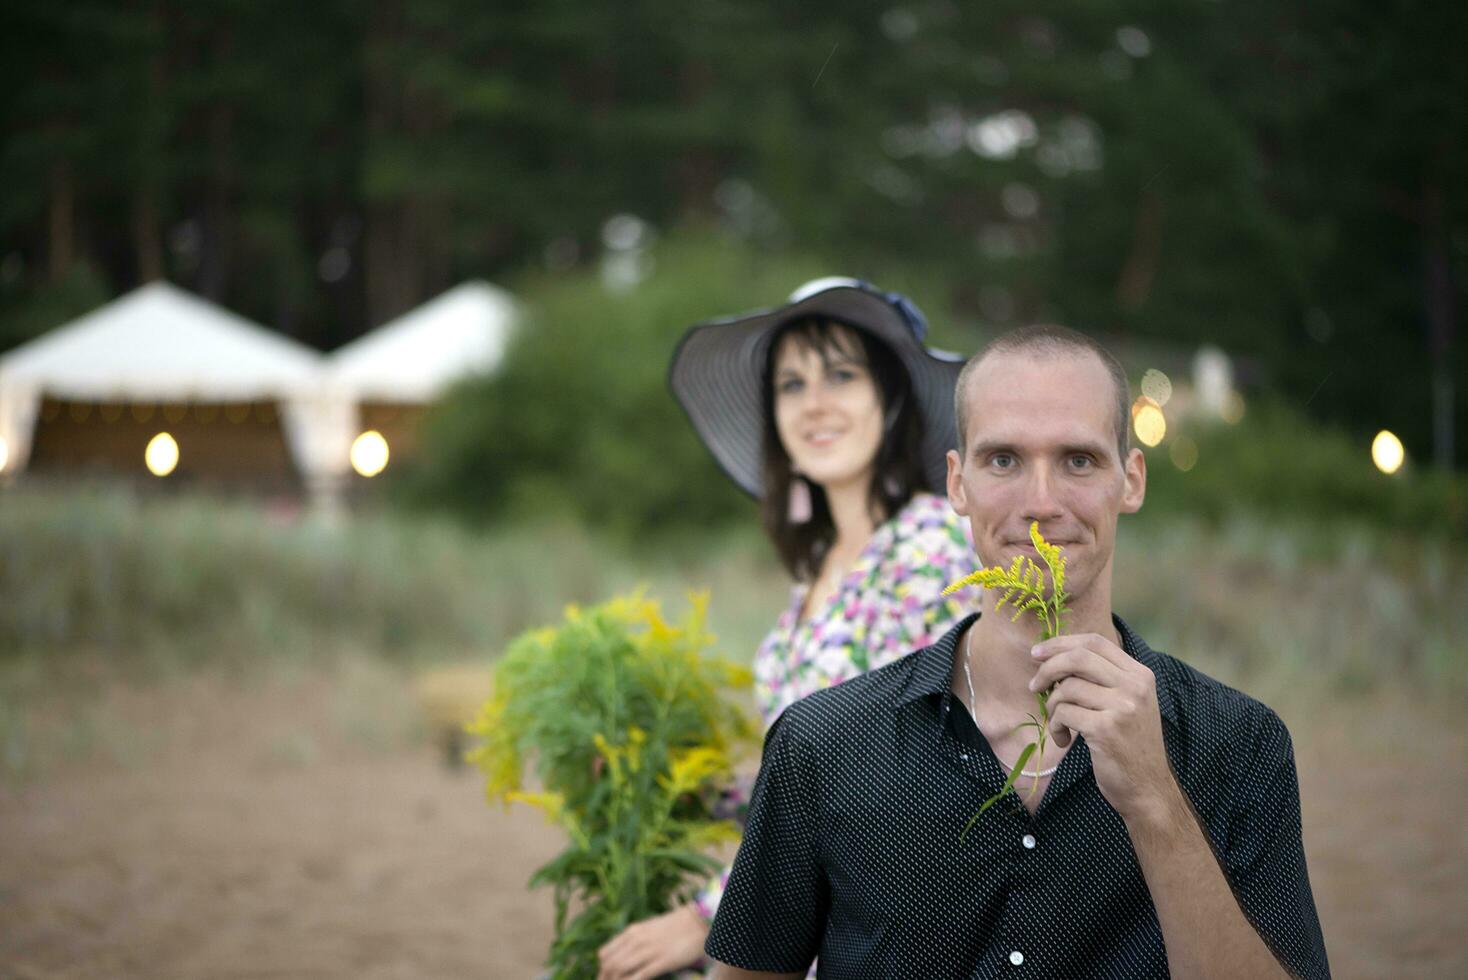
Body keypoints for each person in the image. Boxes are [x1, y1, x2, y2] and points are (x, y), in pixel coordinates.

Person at [703, 325, 1331, 979]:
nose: (1041, 504)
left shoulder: (1239, 743)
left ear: (1132, 480)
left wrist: (1154, 800)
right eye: (1003, 460)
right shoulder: (821, 743)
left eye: (1079, 461)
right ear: (957, 482)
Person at [594, 279, 978, 980]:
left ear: (889, 398)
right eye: (791, 384)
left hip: (881, 934)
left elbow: (905, 777)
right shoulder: (818, 571)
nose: (815, 404)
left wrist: (706, 918)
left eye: (841, 375)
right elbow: (807, 775)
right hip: (808, 914)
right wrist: (684, 788)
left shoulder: (929, 546)